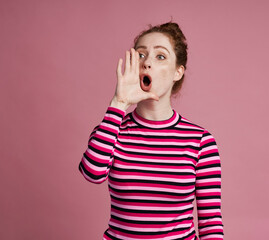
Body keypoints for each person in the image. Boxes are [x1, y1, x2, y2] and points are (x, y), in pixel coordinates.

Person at [79, 22, 224, 240]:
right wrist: (119, 102)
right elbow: (92, 172)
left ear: (178, 72)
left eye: (160, 56)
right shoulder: (111, 129)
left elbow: (210, 222)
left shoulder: (201, 142)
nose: (147, 63)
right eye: (140, 55)